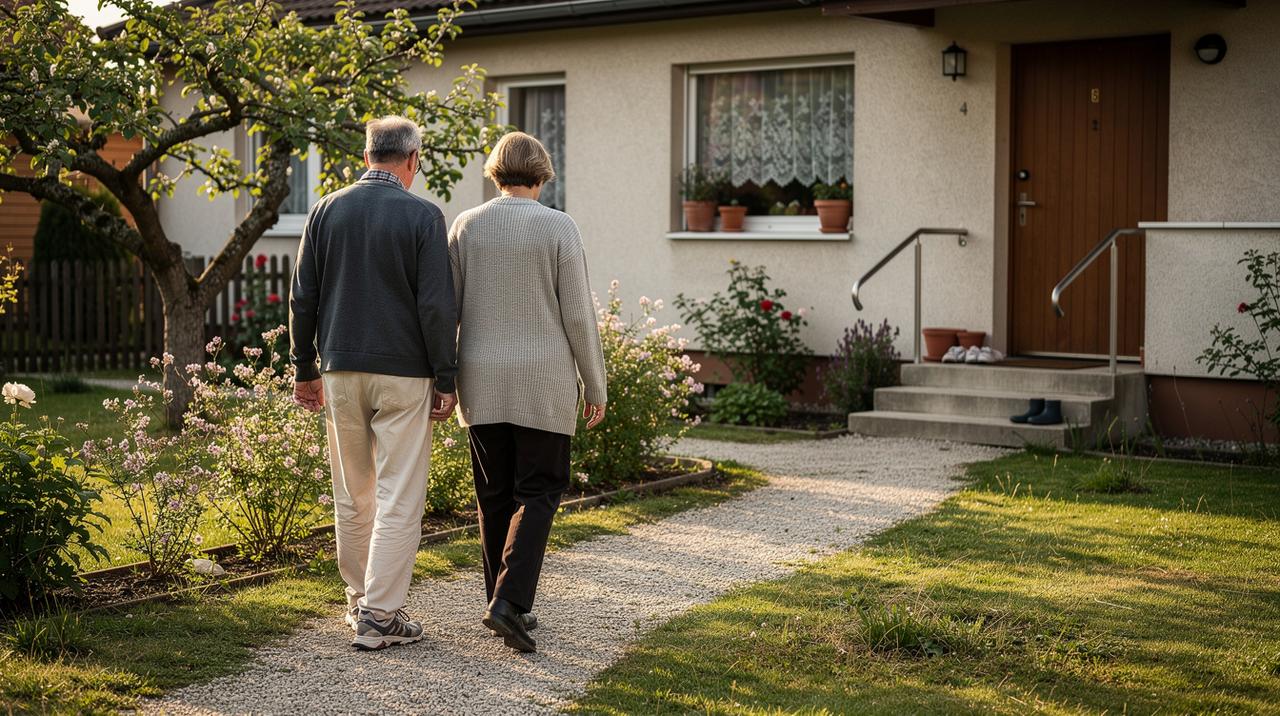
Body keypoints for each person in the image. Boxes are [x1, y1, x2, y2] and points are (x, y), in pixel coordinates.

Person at [289, 116, 458, 651]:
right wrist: (446, 376)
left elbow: (303, 297)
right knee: (398, 493)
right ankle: (380, 615)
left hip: (339, 368)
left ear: (368, 157)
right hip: (404, 373)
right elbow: (435, 306)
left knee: (353, 492)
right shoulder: (424, 216)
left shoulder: (325, 210)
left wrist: (304, 369)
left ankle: (360, 600)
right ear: (412, 160)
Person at [448, 131, 607, 654]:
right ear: (541, 176)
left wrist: (443, 378)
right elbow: (578, 316)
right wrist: (595, 382)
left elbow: (446, 309)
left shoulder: (466, 226)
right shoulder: (559, 227)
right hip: (543, 380)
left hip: (481, 378)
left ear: (495, 174)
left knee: (494, 495)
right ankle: (509, 602)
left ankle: (501, 597)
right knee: (539, 491)